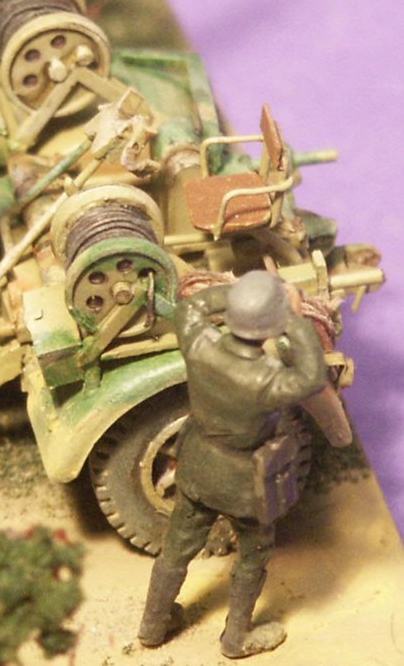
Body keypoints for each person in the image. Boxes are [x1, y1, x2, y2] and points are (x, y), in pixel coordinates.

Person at [137, 270, 340, 659]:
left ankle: (152, 626)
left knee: (175, 551)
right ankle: (235, 639)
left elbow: (194, 305)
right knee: (253, 557)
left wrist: (240, 295)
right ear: (269, 327)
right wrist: (292, 317)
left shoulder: (198, 343)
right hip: (246, 483)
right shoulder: (269, 378)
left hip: (197, 467)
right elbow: (312, 376)